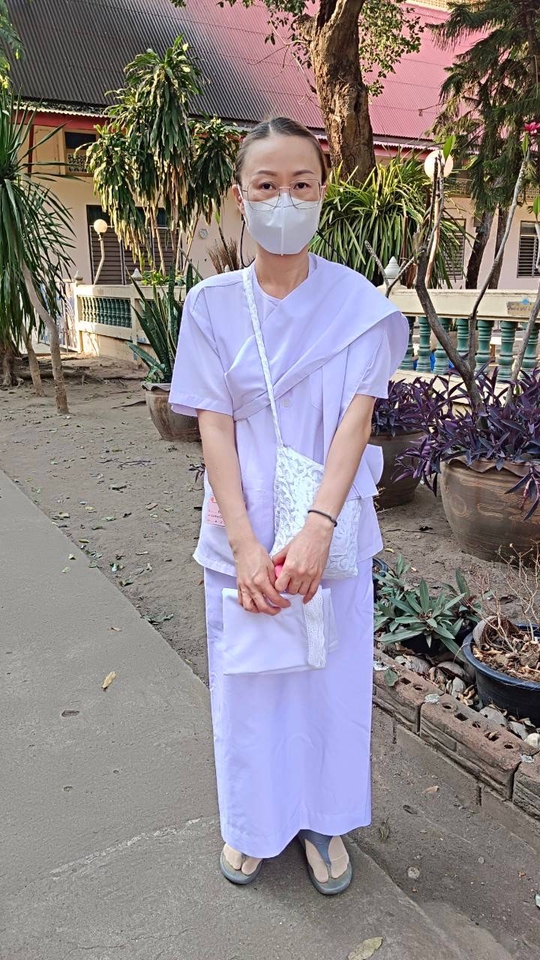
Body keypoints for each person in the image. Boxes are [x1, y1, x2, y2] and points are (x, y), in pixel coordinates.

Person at [169, 116, 409, 895]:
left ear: (322, 192)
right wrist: (246, 545)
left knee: (327, 685)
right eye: (266, 185)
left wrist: (317, 529)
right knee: (252, 683)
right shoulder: (211, 306)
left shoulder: (356, 306)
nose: (283, 200)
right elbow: (213, 428)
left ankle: (323, 820)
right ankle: (251, 824)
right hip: (240, 529)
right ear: (240, 197)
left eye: (300, 184)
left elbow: (354, 425)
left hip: (327, 530)